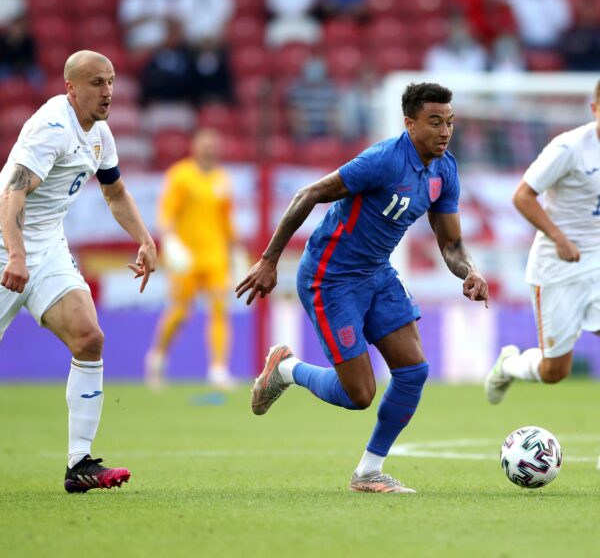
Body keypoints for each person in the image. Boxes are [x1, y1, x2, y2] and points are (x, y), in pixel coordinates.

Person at [236, 82, 489, 493]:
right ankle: (286, 369)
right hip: (330, 278)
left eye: (450, 122)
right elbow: (310, 193)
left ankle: (369, 472)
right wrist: (269, 259)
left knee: (413, 371)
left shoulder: (445, 171)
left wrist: (471, 272)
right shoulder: (384, 160)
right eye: (435, 122)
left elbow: (451, 243)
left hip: (376, 273)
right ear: (410, 124)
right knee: (359, 394)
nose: (445, 131)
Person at [0, 50, 157, 492]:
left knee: (89, 338)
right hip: (4, 242)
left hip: (46, 245)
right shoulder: (51, 129)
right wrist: (15, 255)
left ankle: (79, 463)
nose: (107, 91)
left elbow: (115, 192)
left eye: (110, 82)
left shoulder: (100, 134)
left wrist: (144, 239)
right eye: (96, 83)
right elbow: (12, 194)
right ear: (71, 88)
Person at [484, 80, 600, 407]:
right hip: (559, 265)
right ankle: (508, 365)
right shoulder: (569, 149)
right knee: (555, 371)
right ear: (594, 109)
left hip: (598, 260)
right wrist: (559, 238)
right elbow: (522, 196)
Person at [145, 129, 237, 391]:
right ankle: (158, 357)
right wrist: (171, 243)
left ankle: (218, 369)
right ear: (194, 147)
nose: (210, 150)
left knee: (220, 308)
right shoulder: (180, 176)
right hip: (186, 256)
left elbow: (226, 219)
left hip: (215, 255)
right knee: (180, 312)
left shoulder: (223, 180)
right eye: (205, 145)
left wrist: (235, 251)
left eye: (213, 145)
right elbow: (166, 214)